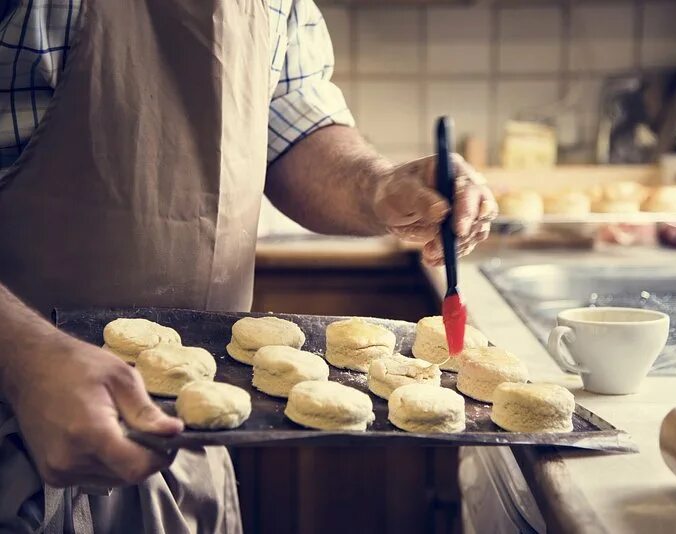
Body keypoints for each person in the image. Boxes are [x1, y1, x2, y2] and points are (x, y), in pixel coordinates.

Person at [0, 0, 497, 532]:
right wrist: (23, 358)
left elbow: (292, 123)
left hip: (193, 439)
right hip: (18, 442)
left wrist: (376, 184)